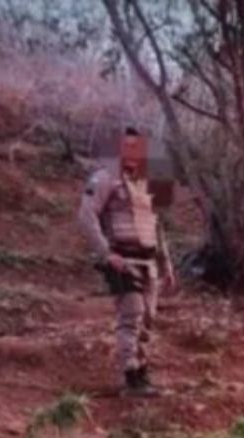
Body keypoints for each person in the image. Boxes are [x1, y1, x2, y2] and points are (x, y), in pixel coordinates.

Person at [77, 127, 176, 396]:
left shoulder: (150, 182)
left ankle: (142, 373)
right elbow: (86, 217)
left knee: (148, 320)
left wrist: (166, 263)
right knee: (131, 315)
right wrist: (107, 254)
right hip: (123, 259)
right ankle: (130, 376)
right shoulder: (105, 178)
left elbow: (157, 226)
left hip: (149, 262)